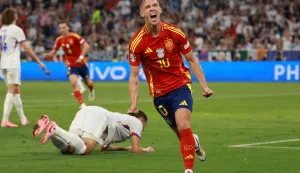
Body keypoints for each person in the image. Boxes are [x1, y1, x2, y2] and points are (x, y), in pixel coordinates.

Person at [127, 1, 213, 173]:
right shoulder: (137, 43)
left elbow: (191, 60)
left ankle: (188, 170)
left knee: (183, 124)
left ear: (159, 10)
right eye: (148, 7)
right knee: (182, 135)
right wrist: (134, 104)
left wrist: (204, 86)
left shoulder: (174, 33)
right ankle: (194, 143)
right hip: (159, 95)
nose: (152, 8)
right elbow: (134, 76)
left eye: (155, 5)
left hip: (180, 85)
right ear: (142, 13)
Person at [32, 106, 154, 154]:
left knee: (68, 149)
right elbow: (136, 150)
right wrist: (146, 150)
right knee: (86, 150)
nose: (142, 130)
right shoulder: (137, 123)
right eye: (144, 126)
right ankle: (55, 128)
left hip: (86, 111)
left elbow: (103, 148)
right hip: (100, 115)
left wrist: (124, 148)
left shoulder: (123, 122)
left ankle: (51, 131)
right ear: (141, 120)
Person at [0, 8, 46, 128]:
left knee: (16, 91)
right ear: (14, 17)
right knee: (11, 91)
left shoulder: (2, 30)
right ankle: (5, 120)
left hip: (4, 63)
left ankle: (23, 118)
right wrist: (39, 62)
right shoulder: (16, 30)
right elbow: (26, 48)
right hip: (12, 64)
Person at [43, 20, 95, 108]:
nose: (62, 29)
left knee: (88, 83)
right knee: (74, 82)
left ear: (68, 28)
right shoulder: (59, 40)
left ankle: (91, 90)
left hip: (81, 62)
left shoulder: (75, 36)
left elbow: (86, 46)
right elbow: (54, 51)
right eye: (60, 28)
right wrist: (48, 55)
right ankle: (82, 104)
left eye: (64, 27)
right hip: (71, 64)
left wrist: (81, 57)